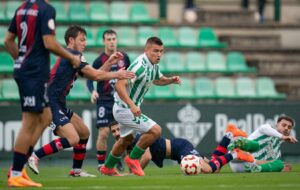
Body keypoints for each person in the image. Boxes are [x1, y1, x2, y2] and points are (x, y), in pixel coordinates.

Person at [27, 25, 134, 177]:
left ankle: (76, 171)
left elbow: (94, 74)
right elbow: (96, 76)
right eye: (82, 40)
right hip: (49, 103)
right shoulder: (72, 55)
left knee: (84, 132)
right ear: (71, 40)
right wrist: (118, 74)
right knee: (73, 138)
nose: (85, 43)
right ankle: (34, 156)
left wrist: (109, 63)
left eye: (85, 40)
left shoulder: (74, 56)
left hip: (59, 102)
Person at [5, 0, 81, 187]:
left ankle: (20, 166)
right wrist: (71, 56)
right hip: (34, 73)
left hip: (30, 71)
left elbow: (8, 40)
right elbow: (49, 42)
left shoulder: (22, 7)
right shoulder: (46, 9)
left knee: (46, 117)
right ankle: (15, 172)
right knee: (29, 122)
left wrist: (20, 61)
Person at [100, 37, 181, 176]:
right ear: (146, 50)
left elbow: (157, 79)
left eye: (161, 51)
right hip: (124, 108)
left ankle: (107, 167)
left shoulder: (153, 65)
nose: (159, 54)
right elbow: (119, 85)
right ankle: (133, 159)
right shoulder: (139, 66)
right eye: (155, 51)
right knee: (156, 131)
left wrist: (170, 80)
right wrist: (131, 106)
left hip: (127, 108)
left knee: (126, 139)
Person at [110, 123, 254, 174]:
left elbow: (146, 157)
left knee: (210, 169)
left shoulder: (136, 139)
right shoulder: (126, 143)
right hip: (177, 153)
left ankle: (235, 154)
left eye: (118, 129)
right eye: (113, 131)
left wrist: (135, 172)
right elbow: (132, 162)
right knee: (213, 168)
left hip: (180, 147)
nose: (116, 133)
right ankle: (229, 134)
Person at [86, 29, 130, 172]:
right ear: (104, 41)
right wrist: (92, 91)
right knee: (104, 132)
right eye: (108, 39)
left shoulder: (125, 57)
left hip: (120, 100)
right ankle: (100, 164)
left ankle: (117, 160)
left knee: (122, 135)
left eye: (113, 39)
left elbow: (130, 74)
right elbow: (90, 77)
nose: (111, 42)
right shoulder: (99, 60)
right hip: (104, 100)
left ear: (116, 40)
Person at [229, 114, 298, 173]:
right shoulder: (267, 129)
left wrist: (281, 168)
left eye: (289, 127)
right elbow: (263, 128)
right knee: (255, 146)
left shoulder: (277, 151)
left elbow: (266, 163)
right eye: (284, 125)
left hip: (245, 166)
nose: (286, 128)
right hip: (237, 155)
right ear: (277, 125)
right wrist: (282, 137)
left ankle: (258, 169)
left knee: (280, 163)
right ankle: (237, 143)